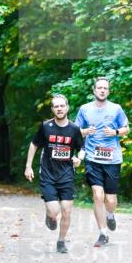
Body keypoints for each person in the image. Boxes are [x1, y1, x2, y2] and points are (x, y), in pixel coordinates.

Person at [24, 94, 85, 253]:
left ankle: (61, 241)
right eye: (56, 106)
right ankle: (50, 215)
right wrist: (28, 167)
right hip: (48, 174)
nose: (59, 109)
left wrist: (79, 158)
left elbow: (82, 148)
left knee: (66, 210)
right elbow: (33, 145)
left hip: (66, 175)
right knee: (54, 211)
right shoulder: (45, 126)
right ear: (52, 109)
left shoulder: (74, 129)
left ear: (67, 108)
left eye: (62, 106)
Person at [74, 77, 130, 247]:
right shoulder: (85, 109)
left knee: (110, 200)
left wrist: (115, 132)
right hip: (92, 159)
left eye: (105, 88)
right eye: (99, 87)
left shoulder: (116, 109)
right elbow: (75, 132)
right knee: (98, 196)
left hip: (112, 159)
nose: (102, 90)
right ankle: (103, 233)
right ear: (94, 90)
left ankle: (110, 214)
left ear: (109, 91)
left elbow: (127, 129)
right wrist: (85, 131)